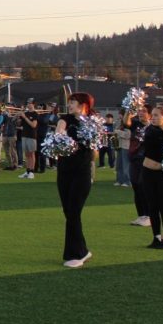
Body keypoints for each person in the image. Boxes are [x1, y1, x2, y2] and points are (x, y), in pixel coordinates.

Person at [55, 92, 99, 268]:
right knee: (68, 211)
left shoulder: (93, 121)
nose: (70, 104)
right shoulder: (65, 119)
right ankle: (82, 250)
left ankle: (75, 254)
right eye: (69, 101)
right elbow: (59, 131)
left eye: (73, 101)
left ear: (83, 104)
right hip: (65, 170)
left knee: (73, 211)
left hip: (82, 171)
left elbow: (95, 149)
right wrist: (60, 137)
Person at [141, 104, 163, 249]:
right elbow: (156, 137)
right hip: (148, 172)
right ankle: (156, 237)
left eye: (157, 115)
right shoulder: (150, 130)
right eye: (153, 115)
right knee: (152, 207)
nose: (153, 118)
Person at [124, 105, 152, 226]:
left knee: (143, 186)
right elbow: (126, 122)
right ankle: (141, 215)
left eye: (144, 111)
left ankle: (149, 215)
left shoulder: (152, 127)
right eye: (140, 111)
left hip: (147, 160)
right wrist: (128, 110)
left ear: (150, 114)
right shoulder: (136, 123)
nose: (141, 113)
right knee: (135, 185)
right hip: (134, 158)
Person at [16, 102, 39, 179]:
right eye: (27, 103)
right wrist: (18, 117)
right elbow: (19, 124)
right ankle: (27, 171)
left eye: (30, 103)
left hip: (31, 136)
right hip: (24, 135)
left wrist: (25, 117)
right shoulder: (25, 113)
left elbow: (33, 125)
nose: (28, 105)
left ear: (33, 105)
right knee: (26, 154)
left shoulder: (35, 114)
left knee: (31, 154)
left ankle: (32, 172)